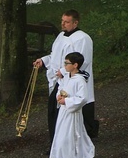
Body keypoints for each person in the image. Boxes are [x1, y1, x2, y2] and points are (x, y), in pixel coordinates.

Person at [34, 9, 97, 143]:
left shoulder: (82, 38)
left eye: (67, 22)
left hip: (73, 80)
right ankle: (56, 142)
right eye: (62, 21)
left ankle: (81, 139)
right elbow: (55, 56)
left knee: (75, 109)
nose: (63, 24)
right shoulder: (61, 36)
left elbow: (82, 61)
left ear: (75, 23)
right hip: (60, 79)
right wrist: (44, 61)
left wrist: (64, 71)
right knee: (55, 108)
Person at [48, 51, 95, 158]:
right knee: (60, 137)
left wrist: (67, 101)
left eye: (67, 63)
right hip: (64, 112)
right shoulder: (68, 77)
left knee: (67, 138)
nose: (65, 65)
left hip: (72, 113)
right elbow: (62, 87)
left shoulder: (80, 81)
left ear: (75, 65)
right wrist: (60, 96)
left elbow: (82, 98)